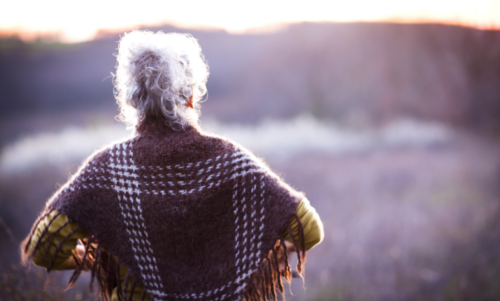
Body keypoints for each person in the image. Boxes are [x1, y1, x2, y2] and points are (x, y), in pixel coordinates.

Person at [21, 30, 324, 301]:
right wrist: (247, 260)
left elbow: (44, 247)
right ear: (190, 97)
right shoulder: (233, 162)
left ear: (132, 101)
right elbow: (310, 230)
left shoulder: (108, 170)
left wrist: (104, 256)